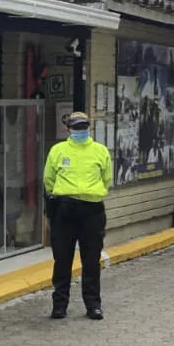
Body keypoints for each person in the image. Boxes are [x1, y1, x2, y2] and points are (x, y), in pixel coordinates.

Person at [44, 111, 114, 321]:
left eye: (83, 127)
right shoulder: (58, 150)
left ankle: (93, 305)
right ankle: (59, 306)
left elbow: (107, 179)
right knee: (62, 259)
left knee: (91, 260)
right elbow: (49, 179)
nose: (80, 131)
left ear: (89, 128)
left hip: (92, 209)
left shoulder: (100, 151)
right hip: (65, 208)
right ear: (68, 130)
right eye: (76, 128)